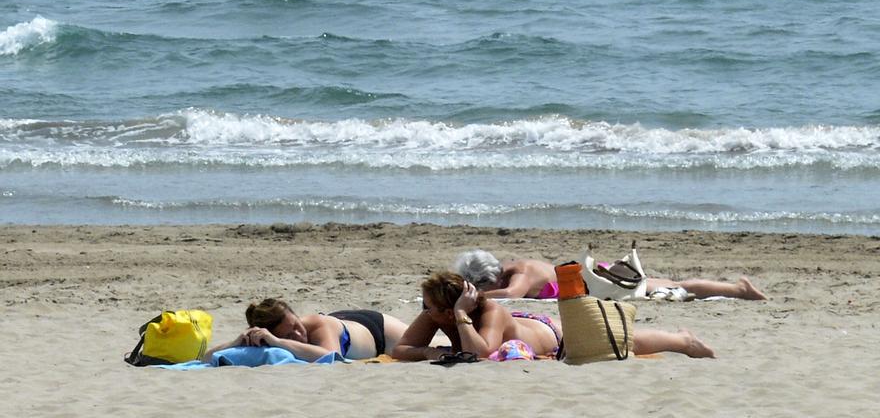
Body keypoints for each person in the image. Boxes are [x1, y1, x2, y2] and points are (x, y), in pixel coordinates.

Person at [391, 272, 715, 361]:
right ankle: (681, 338)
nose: (424, 311)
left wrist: (462, 315)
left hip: (554, 338)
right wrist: (427, 351)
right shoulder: (435, 312)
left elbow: (482, 353)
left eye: (429, 307)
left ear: (450, 310)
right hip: (524, 326)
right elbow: (400, 350)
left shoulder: (489, 311)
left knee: (626, 342)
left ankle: (683, 340)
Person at [453, 249, 767, 301]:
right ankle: (737, 289)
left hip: (601, 281)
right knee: (668, 284)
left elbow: (511, 296)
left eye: (482, 286)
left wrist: (473, 297)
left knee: (674, 285)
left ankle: (739, 289)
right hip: (595, 276)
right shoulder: (510, 270)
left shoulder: (521, 272)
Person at [204, 298, 408, 362]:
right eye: (289, 334)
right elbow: (207, 358)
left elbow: (331, 355)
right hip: (350, 324)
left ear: (295, 315)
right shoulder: (264, 334)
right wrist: (236, 341)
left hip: (377, 329)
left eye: (296, 325)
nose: (299, 335)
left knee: (430, 343)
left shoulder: (319, 325)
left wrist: (280, 342)